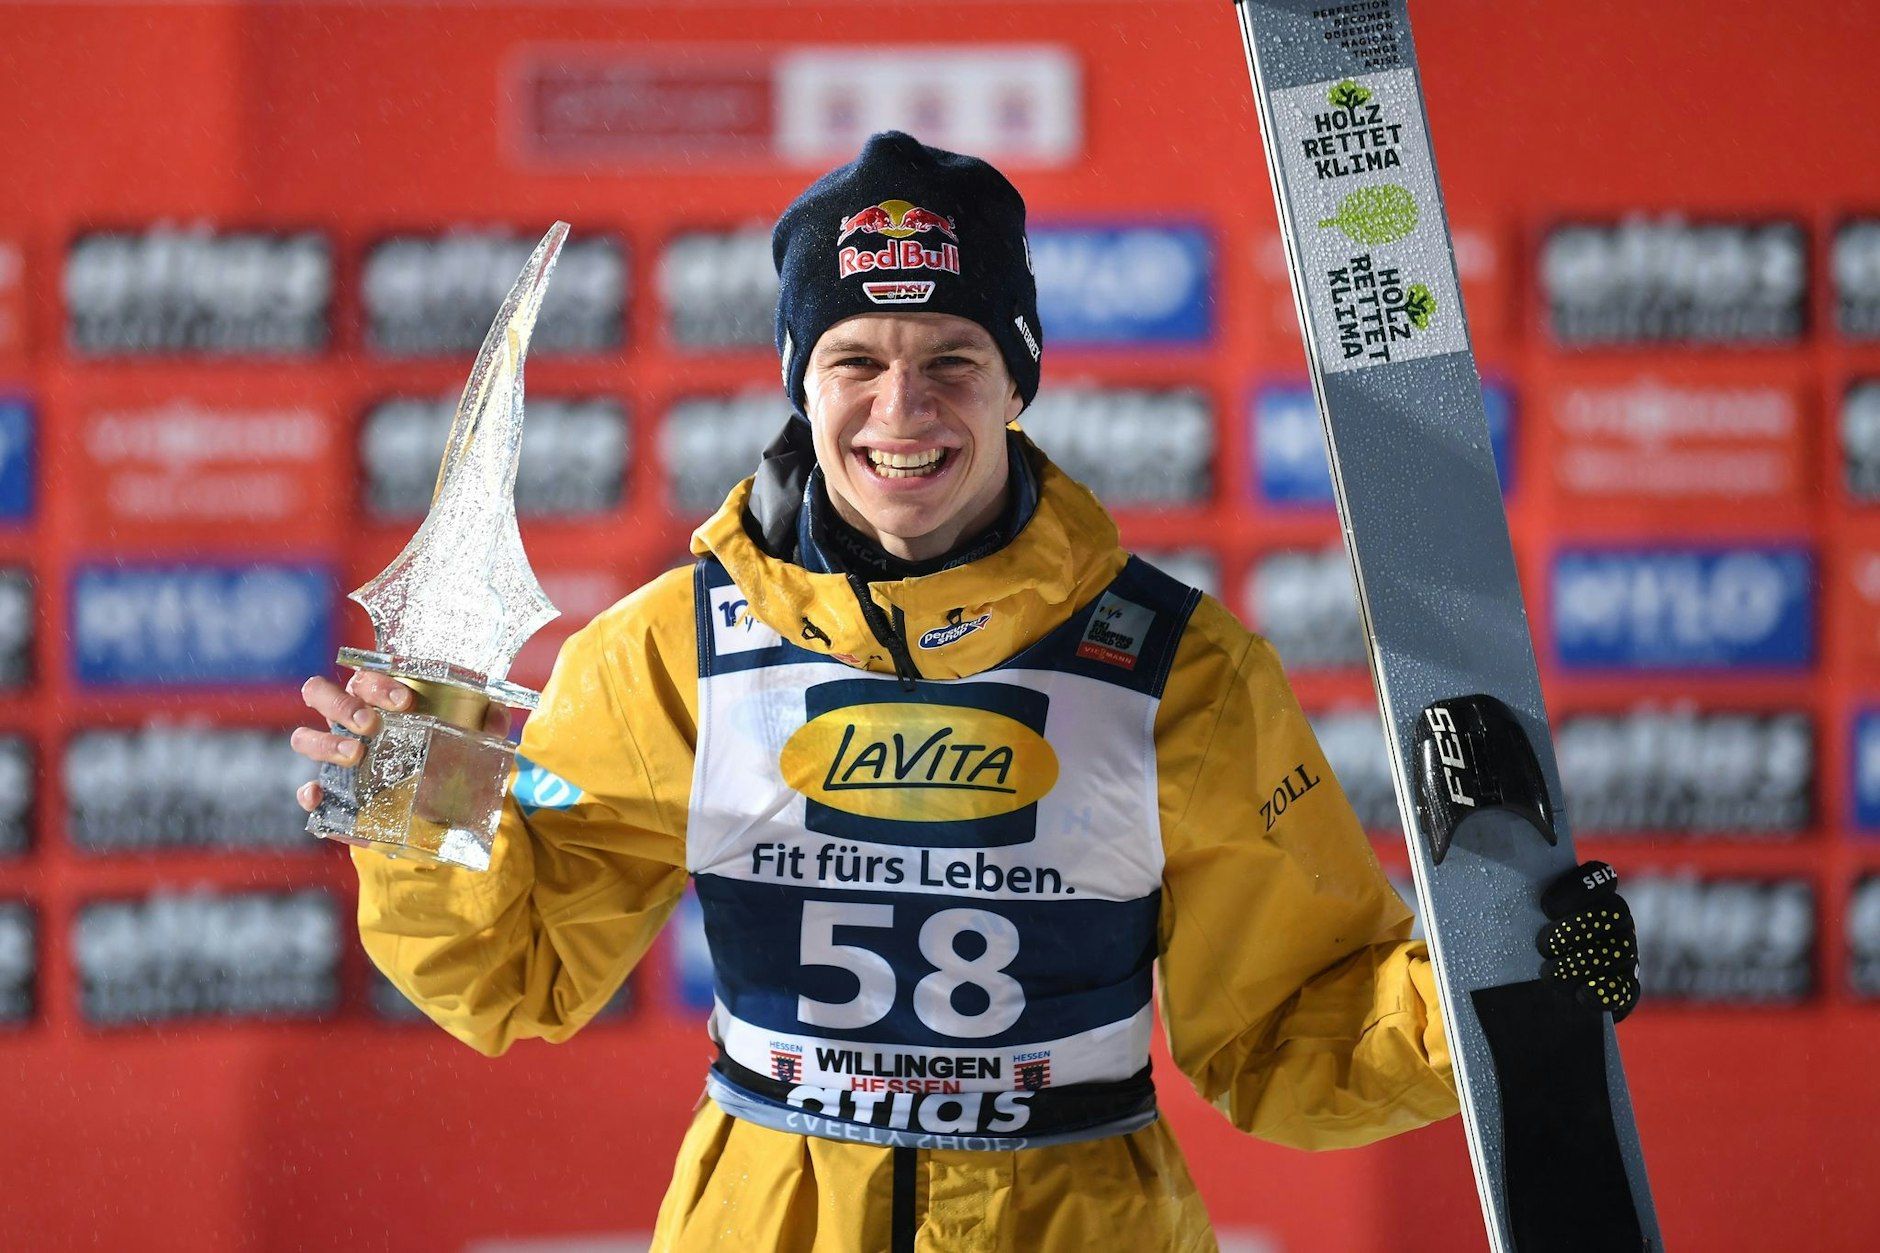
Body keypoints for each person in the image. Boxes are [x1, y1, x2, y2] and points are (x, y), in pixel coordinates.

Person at [292, 131, 1638, 1252]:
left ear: (1018, 381)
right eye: (855, 362)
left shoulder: (1180, 667)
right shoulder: (675, 652)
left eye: (952, 359)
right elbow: (513, 971)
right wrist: (411, 797)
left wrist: (1488, 985)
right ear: (801, 381)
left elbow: (1293, 1034)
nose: (903, 410)